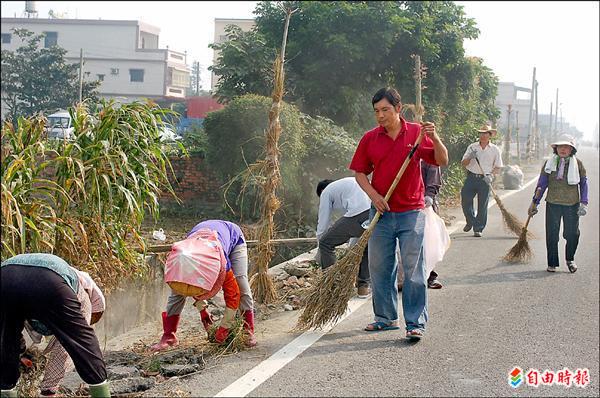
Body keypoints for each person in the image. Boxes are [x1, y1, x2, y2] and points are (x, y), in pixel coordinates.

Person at [349, 87, 448, 340]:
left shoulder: (416, 133)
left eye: (385, 110)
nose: (380, 115)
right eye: (376, 111)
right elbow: (360, 172)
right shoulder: (370, 138)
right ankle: (385, 318)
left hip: (411, 212)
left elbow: (441, 160)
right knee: (381, 267)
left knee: (414, 270)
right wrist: (375, 196)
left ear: (398, 109)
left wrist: (434, 138)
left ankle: (415, 323)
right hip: (381, 212)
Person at [1, 253, 110, 398]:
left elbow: (8, 336)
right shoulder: (86, 297)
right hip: (49, 281)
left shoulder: (72, 278)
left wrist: (18, 352)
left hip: (5, 276)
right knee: (83, 342)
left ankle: (5, 390)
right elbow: (68, 346)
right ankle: (101, 393)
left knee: (5, 340)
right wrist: (49, 388)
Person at [152, 220, 256, 350]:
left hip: (232, 237)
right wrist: (204, 313)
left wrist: (225, 326)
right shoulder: (182, 260)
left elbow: (233, 294)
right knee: (177, 294)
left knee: (241, 282)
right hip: (199, 241)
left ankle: (248, 331)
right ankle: (169, 336)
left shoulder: (219, 262)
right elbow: (191, 286)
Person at [528, 134, 588, 273]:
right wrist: (534, 203)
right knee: (552, 234)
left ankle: (570, 259)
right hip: (553, 203)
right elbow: (541, 185)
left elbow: (584, 184)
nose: (563, 149)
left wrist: (583, 202)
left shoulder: (578, 164)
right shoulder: (548, 164)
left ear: (571, 149)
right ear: (556, 148)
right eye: (561, 146)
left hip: (572, 204)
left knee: (572, 234)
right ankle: (552, 263)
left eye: (566, 147)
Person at [315, 177, 371, 298]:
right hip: (375, 211)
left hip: (359, 213)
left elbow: (323, 223)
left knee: (326, 243)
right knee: (365, 244)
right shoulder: (348, 184)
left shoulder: (326, 192)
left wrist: (320, 245)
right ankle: (363, 288)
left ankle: (332, 287)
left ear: (321, 191)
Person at [397, 160, 444, 291]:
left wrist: (429, 195)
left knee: (425, 240)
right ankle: (401, 277)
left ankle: (429, 276)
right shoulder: (401, 148)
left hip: (423, 204)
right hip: (401, 203)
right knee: (401, 242)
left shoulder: (428, 153)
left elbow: (434, 176)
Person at [460, 124, 503, 237]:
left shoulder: (495, 149)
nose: (483, 136)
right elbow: (463, 163)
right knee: (465, 199)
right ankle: (471, 221)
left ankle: (478, 228)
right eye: (481, 133)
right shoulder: (472, 147)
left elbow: (498, 167)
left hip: (485, 179)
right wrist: (470, 157)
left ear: (490, 135)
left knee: (482, 204)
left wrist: (491, 176)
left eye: (485, 134)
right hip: (471, 177)